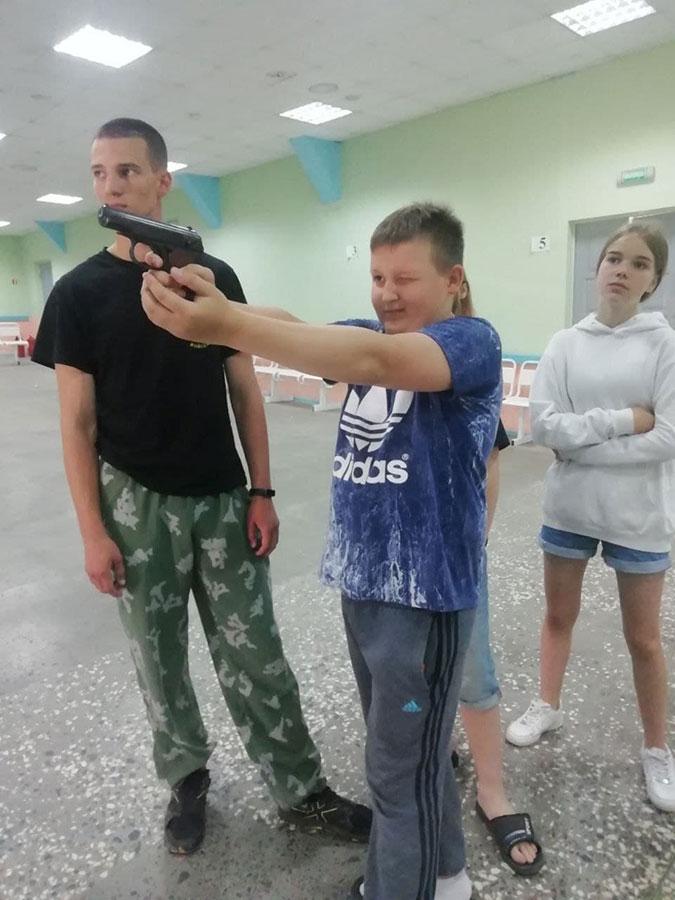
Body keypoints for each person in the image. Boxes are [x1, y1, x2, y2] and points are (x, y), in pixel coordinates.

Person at [139, 202, 503, 900]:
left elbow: (375, 361)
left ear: (453, 280)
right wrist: (208, 295)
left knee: (396, 773)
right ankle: (446, 876)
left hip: (424, 601)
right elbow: (299, 329)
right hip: (366, 592)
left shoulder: (469, 343)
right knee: (412, 760)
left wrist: (223, 326)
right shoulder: (370, 334)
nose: (386, 294)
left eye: (405, 279)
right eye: (377, 277)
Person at [32, 117, 371, 856]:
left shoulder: (211, 279)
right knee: (158, 660)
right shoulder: (78, 294)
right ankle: (186, 781)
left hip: (221, 497)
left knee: (257, 655)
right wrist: (92, 531)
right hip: (134, 501)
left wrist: (263, 491)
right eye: (99, 173)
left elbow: (244, 389)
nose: (111, 186)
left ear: (162, 181)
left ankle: (300, 787)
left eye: (127, 170)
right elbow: (77, 425)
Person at [506, 222, 675, 814]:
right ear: (597, 268)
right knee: (558, 616)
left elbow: (669, 437)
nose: (622, 270)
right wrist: (625, 420)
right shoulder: (565, 343)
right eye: (613, 258)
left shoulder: (664, 345)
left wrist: (582, 447)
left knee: (643, 639)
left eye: (639, 263)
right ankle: (547, 704)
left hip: (639, 514)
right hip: (571, 508)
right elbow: (543, 426)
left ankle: (657, 747)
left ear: (653, 280)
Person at [452, 281, 544, 876]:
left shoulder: (475, 374)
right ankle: (434, 756)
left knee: (473, 668)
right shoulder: (390, 365)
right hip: (398, 558)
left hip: (459, 554)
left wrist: (476, 538)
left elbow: (490, 461)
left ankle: (492, 789)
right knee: (413, 671)